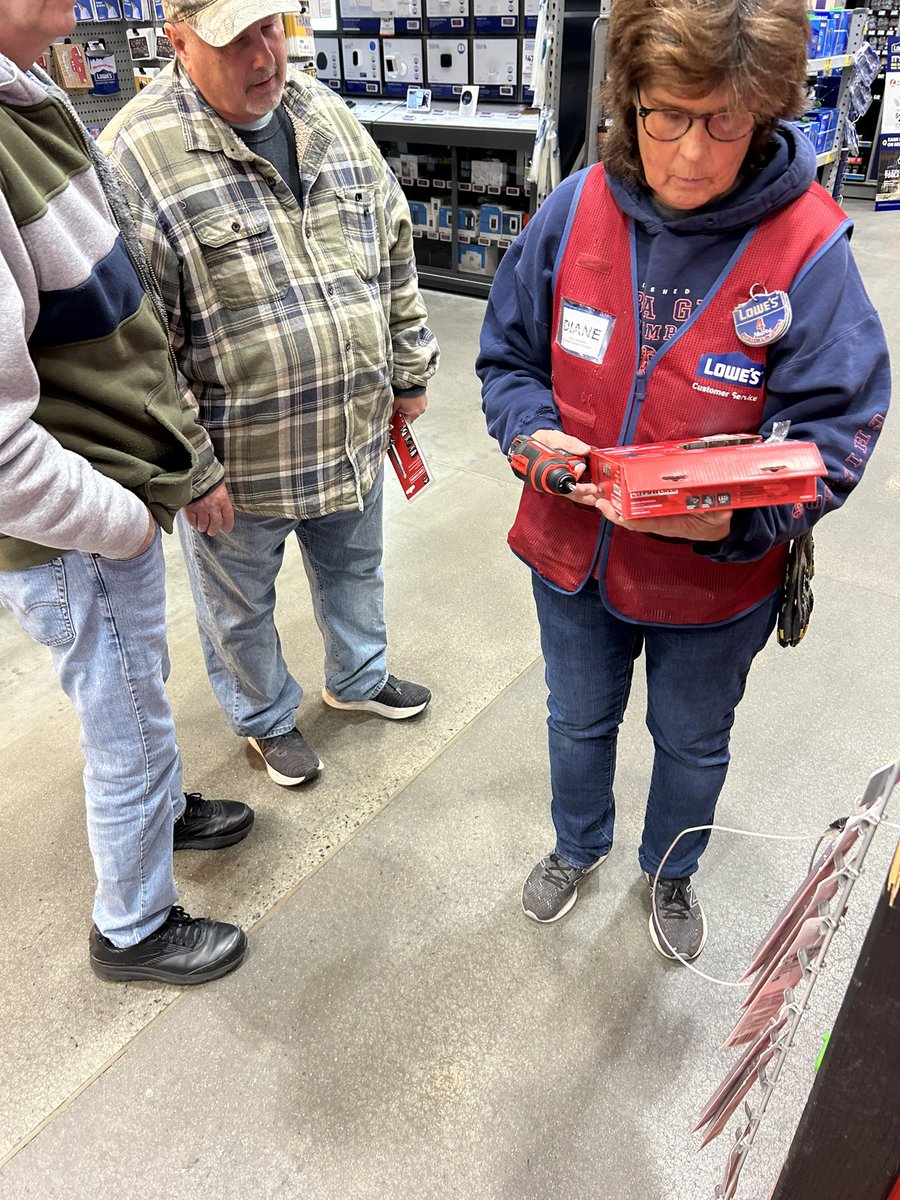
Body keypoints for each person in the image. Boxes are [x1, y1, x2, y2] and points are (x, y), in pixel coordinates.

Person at [477, 0, 890, 961]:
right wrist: (533, 433)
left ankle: (672, 870)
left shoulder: (810, 248)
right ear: (628, 99)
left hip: (715, 581)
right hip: (572, 555)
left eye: (725, 123)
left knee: (693, 742)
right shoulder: (574, 210)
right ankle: (576, 846)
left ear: (766, 112)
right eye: (668, 115)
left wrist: (744, 523)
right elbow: (507, 358)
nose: (694, 153)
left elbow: (839, 430)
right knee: (576, 720)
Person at [99, 0, 440, 790]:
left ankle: (356, 679)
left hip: (352, 427)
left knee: (357, 567)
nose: (265, 58)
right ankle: (265, 720)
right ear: (178, 39)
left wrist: (409, 371)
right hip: (241, 463)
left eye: (271, 30)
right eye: (235, 40)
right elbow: (138, 345)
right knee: (239, 607)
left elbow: (391, 240)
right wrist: (188, 467)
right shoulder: (134, 157)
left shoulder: (322, 111)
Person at [1, 0, 256, 984]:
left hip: (112, 499)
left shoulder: (30, 96)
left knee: (139, 698)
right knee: (125, 720)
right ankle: (135, 924)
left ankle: (163, 811)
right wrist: (118, 523)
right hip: (75, 525)